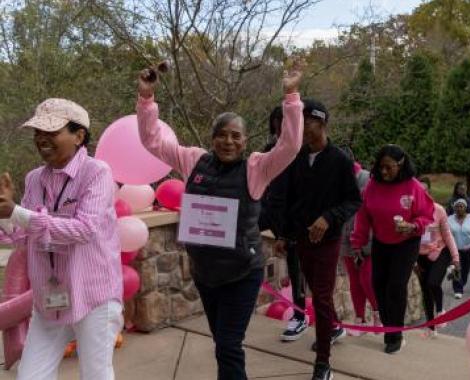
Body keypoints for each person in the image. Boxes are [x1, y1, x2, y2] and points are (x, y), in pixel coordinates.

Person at [136, 60, 304, 380]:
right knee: (221, 343)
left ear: (244, 140)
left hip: (242, 273)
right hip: (206, 274)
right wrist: (146, 100)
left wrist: (292, 95)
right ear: (213, 139)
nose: (229, 141)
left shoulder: (256, 168)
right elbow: (152, 141)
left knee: (228, 346)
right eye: (222, 135)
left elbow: (290, 145)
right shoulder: (194, 160)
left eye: (236, 136)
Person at [0, 98, 123, 380]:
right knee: (30, 376)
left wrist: (18, 212)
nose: (41, 138)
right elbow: (25, 236)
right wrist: (5, 215)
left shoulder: (97, 173)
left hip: (94, 297)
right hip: (50, 298)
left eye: (51, 131)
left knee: (96, 375)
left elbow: (83, 229)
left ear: (79, 136)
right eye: (37, 132)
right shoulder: (34, 179)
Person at [277, 99, 363, 380]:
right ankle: (335, 327)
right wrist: (283, 234)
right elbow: (289, 200)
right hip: (301, 238)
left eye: (306, 122)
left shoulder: (340, 159)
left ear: (322, 123)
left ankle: (323, 362)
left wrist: (329, 218)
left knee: (322, 298)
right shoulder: (296, 158)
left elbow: (353, 200)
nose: (301, 128)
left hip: (328, 240)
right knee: (316, 292)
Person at [351, 144, 434, 354]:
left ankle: (394, 335)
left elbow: (427, 215)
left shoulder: (413, 186)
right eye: (380, 167)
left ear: (401, 164)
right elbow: (363, 217)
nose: (383, 172)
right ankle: (391, 327)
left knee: (395, 287)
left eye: (388, 167)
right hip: (381, 242)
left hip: (406, 243)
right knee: (378, 286)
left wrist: (414, 226)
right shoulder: (372, 186)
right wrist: (357, 243)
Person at [259, 106, 309, 342]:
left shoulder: (304, 154)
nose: (282, 127)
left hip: (297, 223)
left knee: (301, 269)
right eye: (278, 122)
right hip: (271, 215)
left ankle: (302, 316)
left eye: (287, 121)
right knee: (238, 234)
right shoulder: (268, 152)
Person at [340, 150, 380, 337]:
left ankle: (378, 315)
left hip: (366, 236)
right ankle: (359, 319)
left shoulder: (366, 178)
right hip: (345, 236)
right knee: (354, 280)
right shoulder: (336, 179)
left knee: (366, 278)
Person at [417, 177, 460, 338]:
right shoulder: (412, 212)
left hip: (440, 252)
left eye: (425, 190)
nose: (422, 193)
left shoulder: (439, 210)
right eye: (419, 191)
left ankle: (441, 310)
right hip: (421, 256)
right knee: (425, 291)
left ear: (429, 192)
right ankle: (431, 327)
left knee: (433, 282)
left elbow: (448, 235)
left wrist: (455, 258)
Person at [448, 198, 470, 299]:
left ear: (465, 208)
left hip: (468, 249)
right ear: (454, 208)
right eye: (457, 207)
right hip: (454, 250)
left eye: (461, 206)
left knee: (465, 271)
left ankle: (460, 282)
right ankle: (458, 289)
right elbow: (445, 234)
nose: (459, 208)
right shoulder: (449, 219)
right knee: (456, 268)